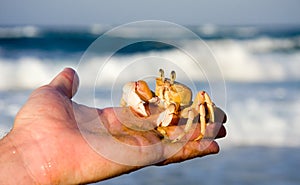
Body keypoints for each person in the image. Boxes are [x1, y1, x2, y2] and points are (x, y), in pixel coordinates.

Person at [0, 68, 227, 184]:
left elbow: (202, 103)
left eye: (167, 85)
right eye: (161, 84)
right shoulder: (160, 91)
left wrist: (201, 118)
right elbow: (136, 90)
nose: (163, 89)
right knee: (135, 86)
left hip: (185, 110)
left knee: (205, 103)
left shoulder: (189, 103)